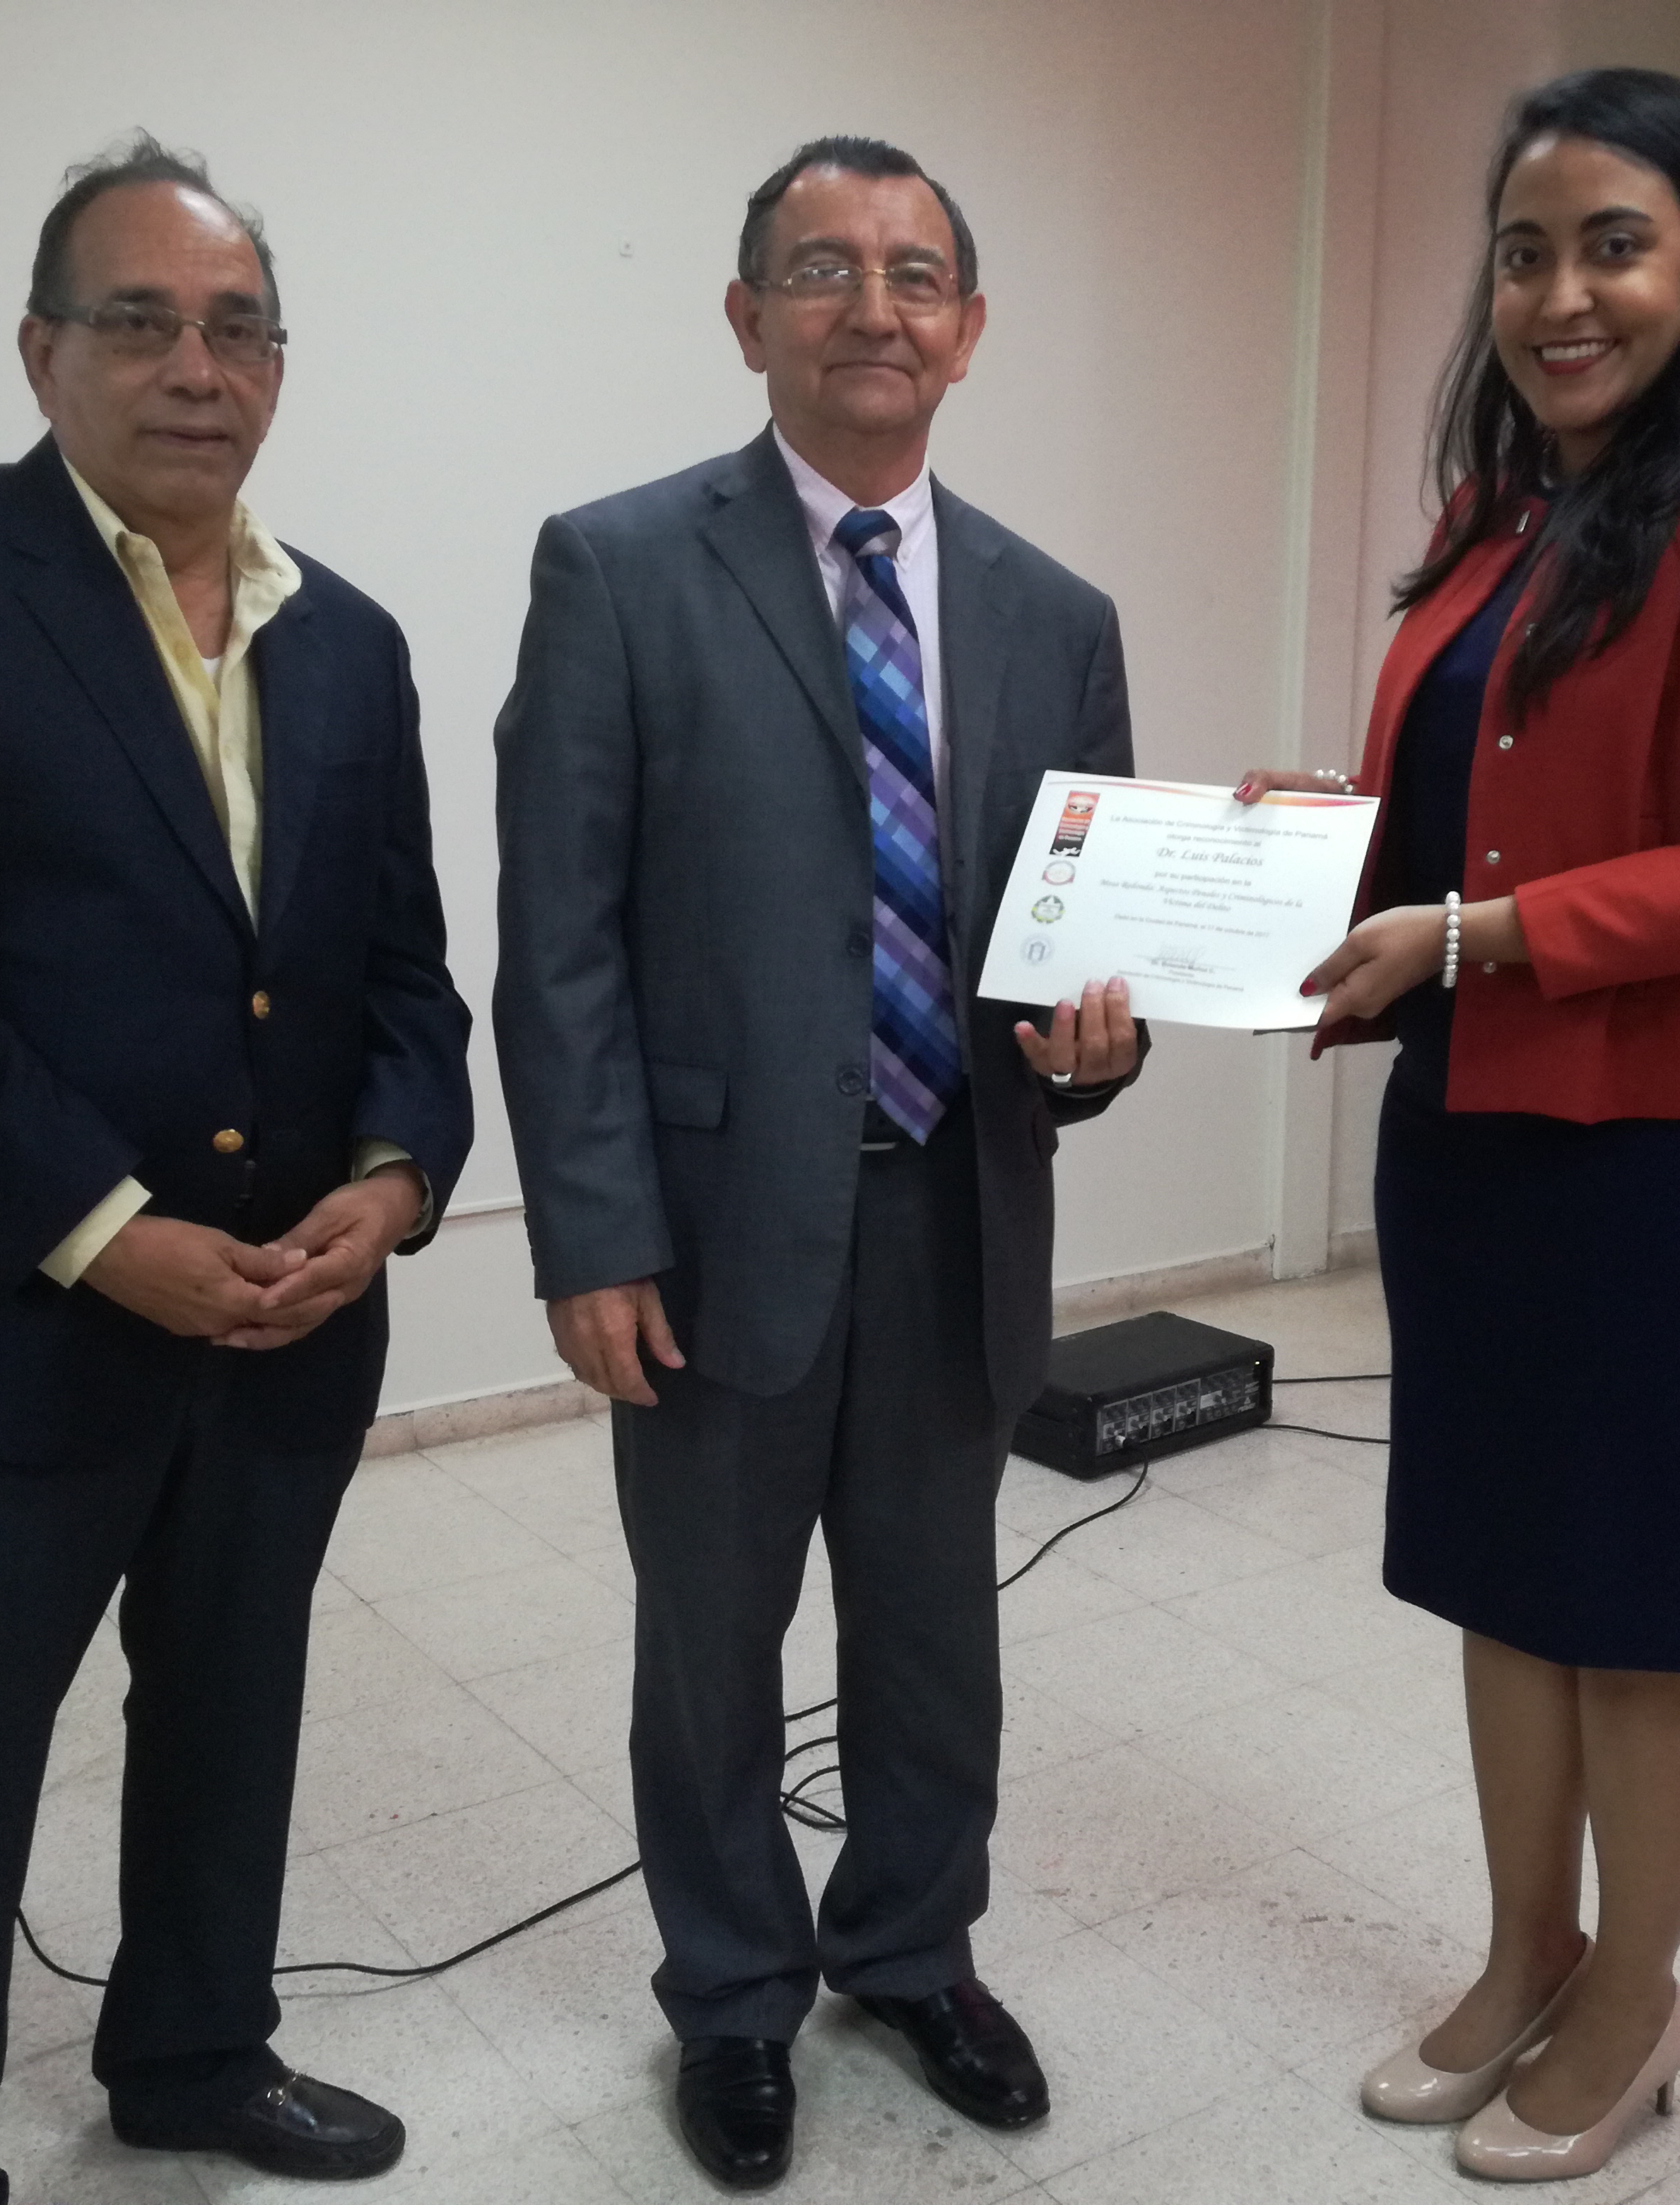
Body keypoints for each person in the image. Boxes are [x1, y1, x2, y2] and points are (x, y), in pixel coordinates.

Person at [0, 136, 473, 2203]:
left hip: (282, 1327)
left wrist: (395, 1179)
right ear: (40, 350)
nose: (195, 368)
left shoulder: (349, 639)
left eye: (238, 328)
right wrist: (103, 1232)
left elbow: (405, 971)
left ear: (279, 366)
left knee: (234, 1712)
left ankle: (194, 2052)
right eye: (140, 321)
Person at [1238, 69, 1680, 2184]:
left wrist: (1470, 933)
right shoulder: (1510, 512)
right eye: (1526, 251)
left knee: (1650, 1598)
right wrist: (1324, 853)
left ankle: (1637, 1995)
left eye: (1615, 245)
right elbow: (1486, 812)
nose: (1562, 294)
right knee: (1506, 1570)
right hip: (1488, 1126)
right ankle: (1526, 1947)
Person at [493, 136, 1145, 2192]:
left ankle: (912, 1951)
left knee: (936, 1626)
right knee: (712, 1639)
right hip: (708, 1231)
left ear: (970, 328)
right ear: (746, 314)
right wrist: (590, 1232)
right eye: (823, 268)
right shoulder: (617, 569)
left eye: (915, 273)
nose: (874, 306)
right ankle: (733, 1993)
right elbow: (559, 938)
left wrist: (1102, 1043)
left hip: (960, 1210)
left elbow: (1078, 946)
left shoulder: (1055, 613)